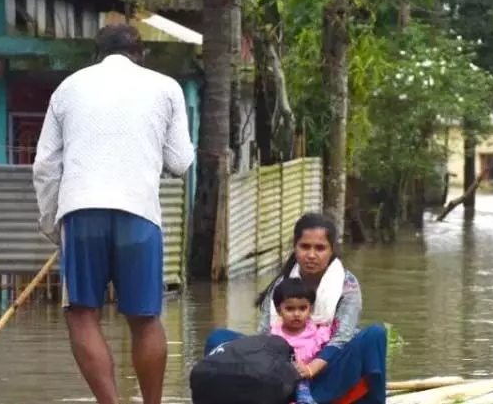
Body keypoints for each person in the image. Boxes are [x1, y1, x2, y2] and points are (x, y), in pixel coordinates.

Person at [32, 23, 195, 404]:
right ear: (140, 55)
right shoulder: (166, 87)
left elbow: (44, 166)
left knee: (82, 313)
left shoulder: (67, 88)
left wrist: (51, 223)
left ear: (96, 54)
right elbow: (181, 162)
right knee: (144, 318)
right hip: (139, 213)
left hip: (80, 211)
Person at [204, 213, 387, 404]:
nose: (311, 255)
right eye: (305, 246)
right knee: (219, 340)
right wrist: (289, 365)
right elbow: (265, 335)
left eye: (320, 248)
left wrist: (309, 369)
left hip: (328, 369)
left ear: (332, 250)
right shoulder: (281, 284)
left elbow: (343, 336)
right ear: (295, 247)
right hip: (281, 371)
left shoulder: (347, 284)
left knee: (375, 335)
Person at [271, 278, 332, 404]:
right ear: (279, 311)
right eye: (290, 309)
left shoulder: (318, 332)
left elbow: (331, 351)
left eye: (302, 308)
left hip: (312, 377)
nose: (297, 314)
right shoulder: (274, 334)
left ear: (310, 309)